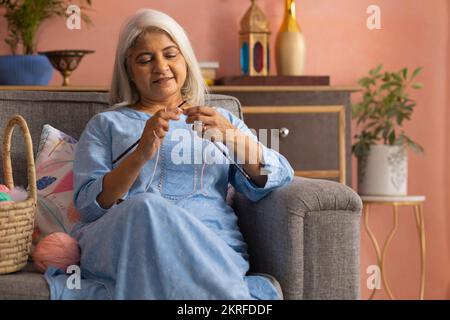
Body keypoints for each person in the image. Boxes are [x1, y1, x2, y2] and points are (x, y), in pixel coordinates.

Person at [44, 8, 294, 300]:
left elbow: (277, 177)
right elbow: (88, 205)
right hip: (122, 242)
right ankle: (233, 298)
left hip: (211, 249)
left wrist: (231, 136)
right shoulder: (107, 125)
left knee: (154, 213)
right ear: (129, 71)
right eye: (145, 59)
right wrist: (140, 153)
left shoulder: (220, 120)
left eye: (170, 54)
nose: (160, 66)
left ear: (185, 58)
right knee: (145, 207)